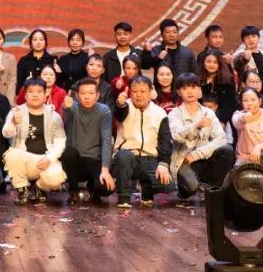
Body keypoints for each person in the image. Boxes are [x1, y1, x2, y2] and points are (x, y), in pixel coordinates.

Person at [167, 73, 234, 200]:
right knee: (191, 188)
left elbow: (221, 139)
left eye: (193, 87)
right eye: (185, 88)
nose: (190, 91)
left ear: (199, 90)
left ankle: (211, 189)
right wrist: (196, 126)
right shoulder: (174, 114)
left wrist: (196, 154)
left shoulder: (208, 113)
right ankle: (184, 189)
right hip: (183, 161)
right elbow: (177, 136)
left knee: (227, 150)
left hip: (202, 158)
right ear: (179, 92)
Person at [111, 75, 174, 207]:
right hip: (128, 157)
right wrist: (120, 104)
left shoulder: (160, 113)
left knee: (167, 186)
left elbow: (165, 141)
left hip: (150, 158)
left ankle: (147, 190)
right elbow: (119, 115)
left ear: (151, 92)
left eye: (143, 91)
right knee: (124, 156)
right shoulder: (125, 106)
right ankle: (124, 196)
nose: (138, 95)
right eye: (134, 91)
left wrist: (163, 164)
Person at [3, 77, 67, 204]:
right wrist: (13, 122)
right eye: (31, 91)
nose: (35, 95)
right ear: (25, 95)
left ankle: (39, 188)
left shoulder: (54, 116)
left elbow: (60, 142)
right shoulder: (16, 112)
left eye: (39, 91)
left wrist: (49, 158)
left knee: (56, 179)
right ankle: (22, 190)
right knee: (12, 154)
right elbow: (6, 133)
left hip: (45, 159)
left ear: (45, 95)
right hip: (24, 159)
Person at [60, 78, 115, 204]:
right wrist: (65, 106)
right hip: (76, 161)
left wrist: (105, 170)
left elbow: (106, 140)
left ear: (97, 95)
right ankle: (73, 191)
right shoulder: (73, 107)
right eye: (83, 93)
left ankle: (92, 187)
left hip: (95, 160)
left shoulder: (104, 110)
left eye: (91, 93)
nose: (87, 97)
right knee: (68, 153)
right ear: (77, 95)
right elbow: (67, 113)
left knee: (106, 188)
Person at [199, 49, 237, 136]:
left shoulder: (228, 80)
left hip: (222, 119)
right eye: (208, 61)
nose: (212, 65)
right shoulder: (198, 79)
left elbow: (230, 103)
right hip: (201, 118)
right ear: (203, 63)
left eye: (215, 62)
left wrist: (221, 121)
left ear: (219, 64)